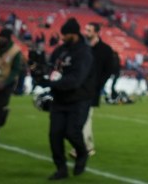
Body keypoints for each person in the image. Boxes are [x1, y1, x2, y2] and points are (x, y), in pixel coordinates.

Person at [45, 17, 94, 180]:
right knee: (55, 134)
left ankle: (82, 154)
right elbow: (51, 67)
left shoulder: (84, 52)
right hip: (59, 99)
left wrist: (54, 83)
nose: (62, 38)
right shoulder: (60, 51)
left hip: (79, 99)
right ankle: (61, 168)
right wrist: (43, 75)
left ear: (73, 34)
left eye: (65, 35)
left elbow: (76, 79)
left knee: (72, 133)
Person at [76, 22, 116, 159]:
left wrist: (98, 85)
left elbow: (108, 70)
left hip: (92, 89)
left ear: (97, 32)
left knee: (85, 117)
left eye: (89, 30)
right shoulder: (81, 47)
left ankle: (85, 147)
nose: (86, 32)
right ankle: (84, 145)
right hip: (77, 87)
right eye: (86, 29)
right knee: (79, 117)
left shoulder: (105, 50)